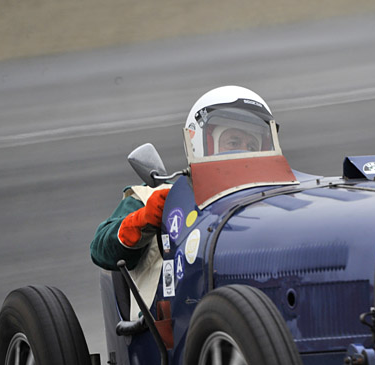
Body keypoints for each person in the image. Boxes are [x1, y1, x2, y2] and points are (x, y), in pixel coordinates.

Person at [90, 85, 280, 271]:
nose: (244, 152)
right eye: (234, 142)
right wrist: (143, 220)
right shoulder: (155, 197)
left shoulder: (274, 198)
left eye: (252, 147)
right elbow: (100, 250)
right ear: (201, 143)